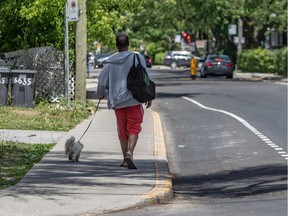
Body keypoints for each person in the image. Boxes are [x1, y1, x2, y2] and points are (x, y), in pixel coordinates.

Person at [96, 33, 152, 169]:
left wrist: (100, 94)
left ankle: (124, 159)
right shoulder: (137, 57)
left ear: (116, 45)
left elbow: (102, 82)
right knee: (134, 128)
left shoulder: (109, 61)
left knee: (122, 130)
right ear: (128, 44)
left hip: (117, 101)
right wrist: (149, 95)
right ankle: (130, 153)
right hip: (134, 98)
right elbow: (145, 76)